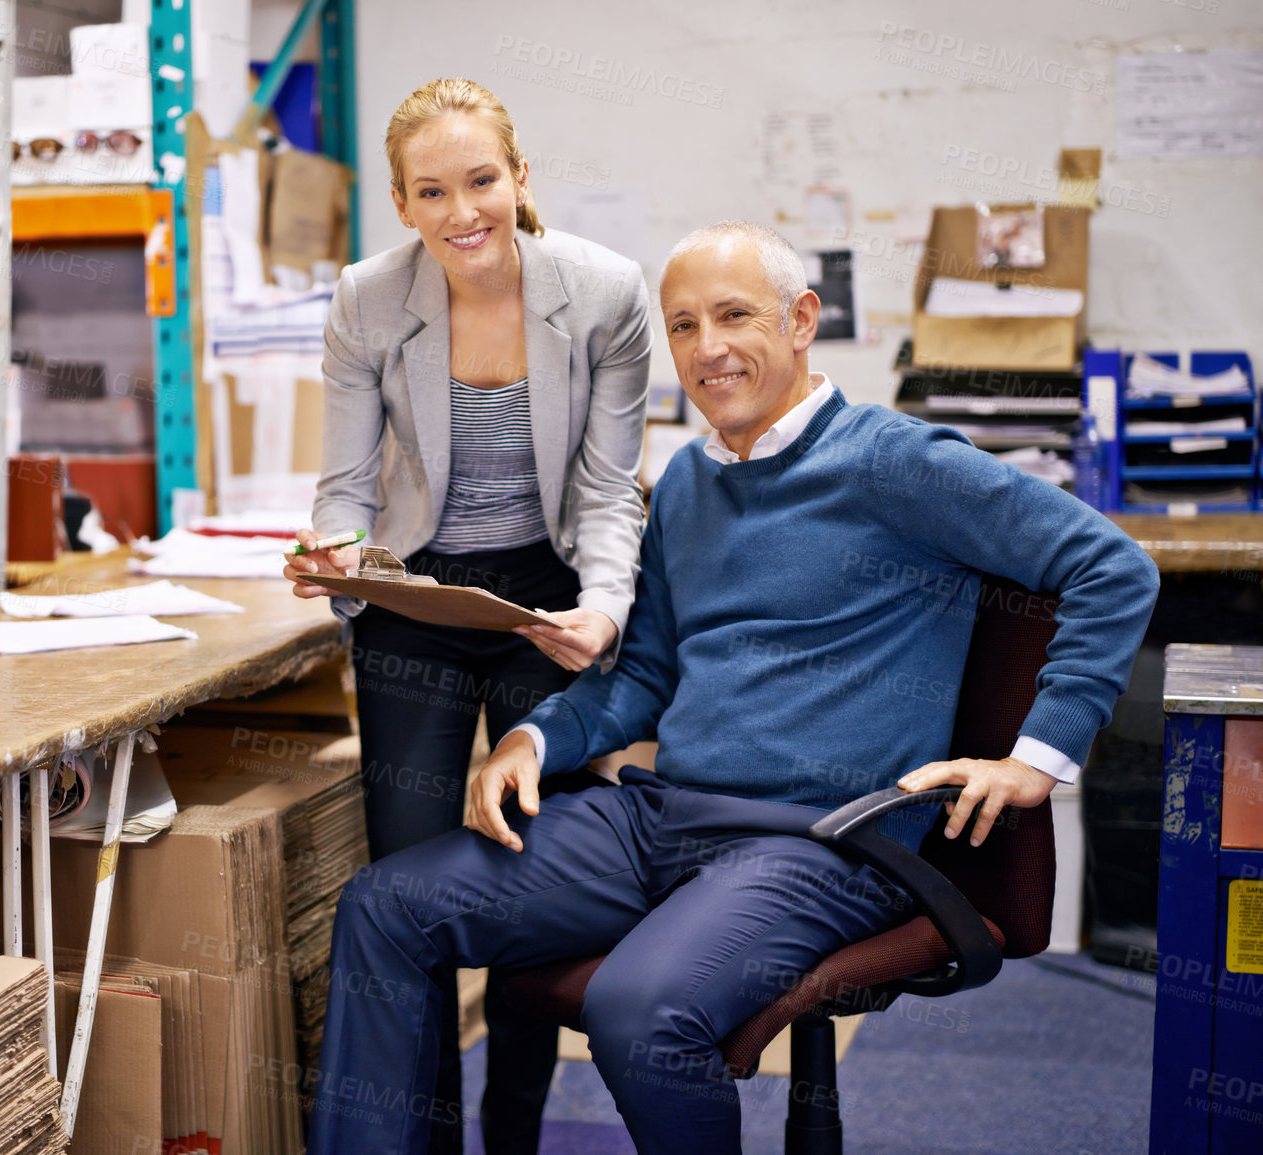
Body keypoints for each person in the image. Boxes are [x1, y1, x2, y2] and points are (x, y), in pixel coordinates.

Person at [304, 220, 1160, 1155]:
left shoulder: (896, 462)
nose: (706, 347)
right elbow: (644, 676)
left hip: (824, 840)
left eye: (733, 315)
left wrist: (1036, 756)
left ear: (800, 321)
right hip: (663, 820)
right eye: (682, 325)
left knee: (638, 1008)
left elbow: (1113, 569)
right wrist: (534, 739)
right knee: (386, 905)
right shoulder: (683, 485)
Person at [282, 78, 651, 1154]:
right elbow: (346, 485)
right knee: (408, 887)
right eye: (431, 191)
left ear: (520, 178)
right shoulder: (366, 298)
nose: (462, 213)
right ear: (401, 203)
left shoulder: (603, 293)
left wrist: (606, 612)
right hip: (421, 599)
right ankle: (425, 1139)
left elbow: (608, 487)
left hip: (549, 595)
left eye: (481, 181)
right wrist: (340, 557)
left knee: (533, 878)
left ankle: (516, 1128)